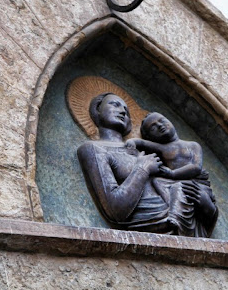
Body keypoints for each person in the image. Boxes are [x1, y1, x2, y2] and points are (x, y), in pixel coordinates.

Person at [76, 93, 217, 237]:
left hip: (185, 225)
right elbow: (115, 209)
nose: (123, 111)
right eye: (115, 104)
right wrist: (143, 168)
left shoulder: (144, 152)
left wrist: (207, 207)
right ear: (97, 110)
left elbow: (178, 184)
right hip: (151, 225)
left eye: (126, 110)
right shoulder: (94, 149)